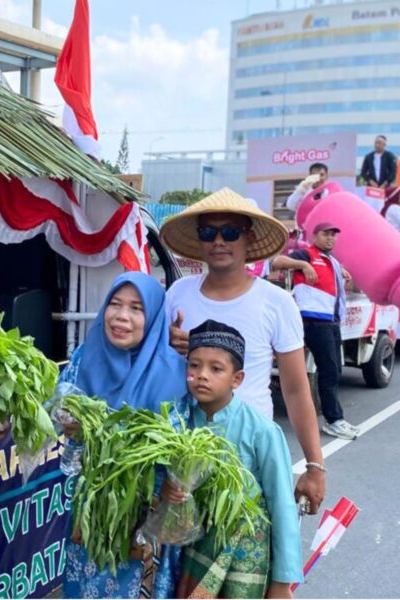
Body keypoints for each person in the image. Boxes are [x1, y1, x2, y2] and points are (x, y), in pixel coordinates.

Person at [160, 188, 327, 514]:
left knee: (246, 556)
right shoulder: (178, 294)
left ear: (248, 238)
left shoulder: (276, 302)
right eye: (208, 232)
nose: (219, 241)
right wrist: (166, 346)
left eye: (230, 232)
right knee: (183, 558)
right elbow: (156, 372)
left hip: (249, 452)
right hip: (184, 453)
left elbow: (295, 390)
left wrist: (315, 466)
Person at [60, 272, 188, 599]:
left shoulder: (174, 373)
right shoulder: (85, 355)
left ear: (154, 318)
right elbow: (58, 402)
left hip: (148, 512)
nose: (121, 316)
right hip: (90, 507)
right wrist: (62, 417)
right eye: (115, 304)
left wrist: (106, 431)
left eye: (136, 308)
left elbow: (176, 448)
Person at [176, 320, 302, 599]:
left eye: (216, 368)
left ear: (237, 379)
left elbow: (282, 504)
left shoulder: (262, 431)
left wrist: (283, 582)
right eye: (194, 366)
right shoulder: (179, 422)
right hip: (193, 549)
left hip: (244, 552)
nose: (202, 375)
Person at [287, 223, 359, 440]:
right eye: (325, 234)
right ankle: (333, 420)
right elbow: (278, 261)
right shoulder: (307, 254)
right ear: (315, 236)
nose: (330, 239)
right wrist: (304, 265)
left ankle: (335, 419)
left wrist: (341, 274)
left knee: (335, 371)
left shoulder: (332, 261)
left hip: (331, 321)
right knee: (328, 371)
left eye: (333, 235)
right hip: (314, 321)